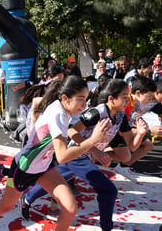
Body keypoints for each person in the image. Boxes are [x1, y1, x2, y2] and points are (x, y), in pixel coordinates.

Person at [0, 76, 111, 231]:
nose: (84, 105)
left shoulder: (63, 109)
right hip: (24, 168)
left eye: (86, 99)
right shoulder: (59, 113)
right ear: (65, 98)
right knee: (6, 206)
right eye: (81, 99)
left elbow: (39, 103)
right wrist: (93, 141)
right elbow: (62, 156)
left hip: (44, 166)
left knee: (70, 207)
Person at [20, 79, 148, 230]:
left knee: (59, 178)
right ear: (111, 99)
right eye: (125, 97)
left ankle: (27, 198)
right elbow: (72, 131)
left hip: (87, 156)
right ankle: (106, 227)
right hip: (78, 155)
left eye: (129, 97)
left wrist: (140, 134)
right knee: (108, 190)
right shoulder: (97, 112)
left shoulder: (121, 116)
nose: (128, 101)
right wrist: (96, 150)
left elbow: (132, 147)